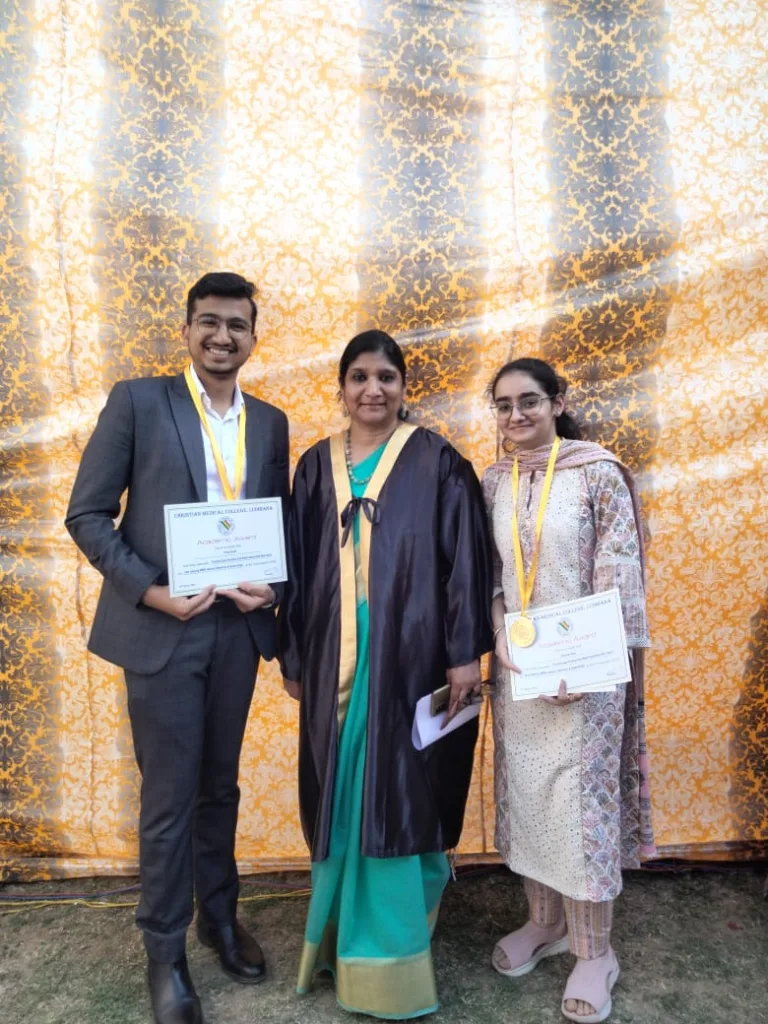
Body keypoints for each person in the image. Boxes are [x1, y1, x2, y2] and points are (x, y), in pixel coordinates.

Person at [66, 272, 289, 1024]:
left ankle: (219, 919)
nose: (223, 336)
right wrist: (151, 591)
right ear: (187, 329)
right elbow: (88, 515)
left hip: (235, 630)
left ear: (254, 335)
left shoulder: (270, 420)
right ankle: (164, 953)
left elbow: (275, 526)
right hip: (163, 630)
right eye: (209, 323)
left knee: (218, 788)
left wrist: (274, 589)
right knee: (167, 800)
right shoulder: (138, 401)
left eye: (237, 325)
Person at [278, 329, 494, 1019]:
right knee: (340, 787)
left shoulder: (438, 462)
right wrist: (292, 655)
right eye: (360, 377)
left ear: (406, 387)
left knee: (395, 792)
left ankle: (392, 956)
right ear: (340, 388)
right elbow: (294, 565)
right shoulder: (314, 465)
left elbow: (466, 559)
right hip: (332, 652)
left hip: (411, 651)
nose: (374, 390)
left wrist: (465, 651)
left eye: (387, 378)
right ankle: (340, 929)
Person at [482, 357, 654, 1024]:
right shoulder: (495, 481)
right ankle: (545, 925)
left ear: (558, 401)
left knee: (582, 809)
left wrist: (580, 668)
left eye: (528, 400)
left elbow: (620, 576)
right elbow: (494, 576)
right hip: (523, 673)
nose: (515, 415)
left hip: (589, 677)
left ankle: (595, 953)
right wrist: (501, 633)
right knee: (531, 798)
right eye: (503, 405)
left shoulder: (597, 474)